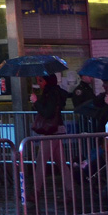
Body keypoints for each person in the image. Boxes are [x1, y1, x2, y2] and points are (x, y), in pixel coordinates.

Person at [29, 73, 71, 201]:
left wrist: (36, 102)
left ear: (47, 81)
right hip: (57, 129)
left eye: (40, 80)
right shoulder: (56, 92)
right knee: (61, 163)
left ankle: (36, 191)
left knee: (41, 160)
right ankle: (70, 191)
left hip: (51, 132)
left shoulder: (50, 94)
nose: (39, 83)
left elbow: (47, 112)